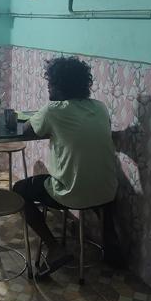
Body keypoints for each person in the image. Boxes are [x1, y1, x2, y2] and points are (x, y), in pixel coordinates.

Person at [14, 56, 119, 279]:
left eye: (50, 83)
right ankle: (113, 249)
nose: (48, 87)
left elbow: (25, 131)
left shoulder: (53, 110)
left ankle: (54, 247)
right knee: (99, 181)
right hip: (109, 192)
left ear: (58, 86)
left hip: (70, 195)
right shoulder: (100, 108)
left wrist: (39, 117)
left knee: (19, 190)